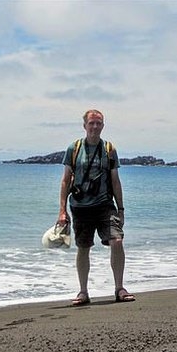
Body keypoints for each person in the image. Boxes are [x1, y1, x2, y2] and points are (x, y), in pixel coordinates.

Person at [57, 109, 135, 305]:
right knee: (83, 247)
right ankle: (83, 292)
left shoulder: (109, 149)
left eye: (98, 123)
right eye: (91, 123)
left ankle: (119, 288)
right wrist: (62, 211)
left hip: (105, 205)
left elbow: (115, 181)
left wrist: (121, 209)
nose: (95, 126)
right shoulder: (74, 149)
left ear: (103, 126)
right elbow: (65, 181)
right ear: (85, 126)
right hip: (80, 207)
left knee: (116, 240)